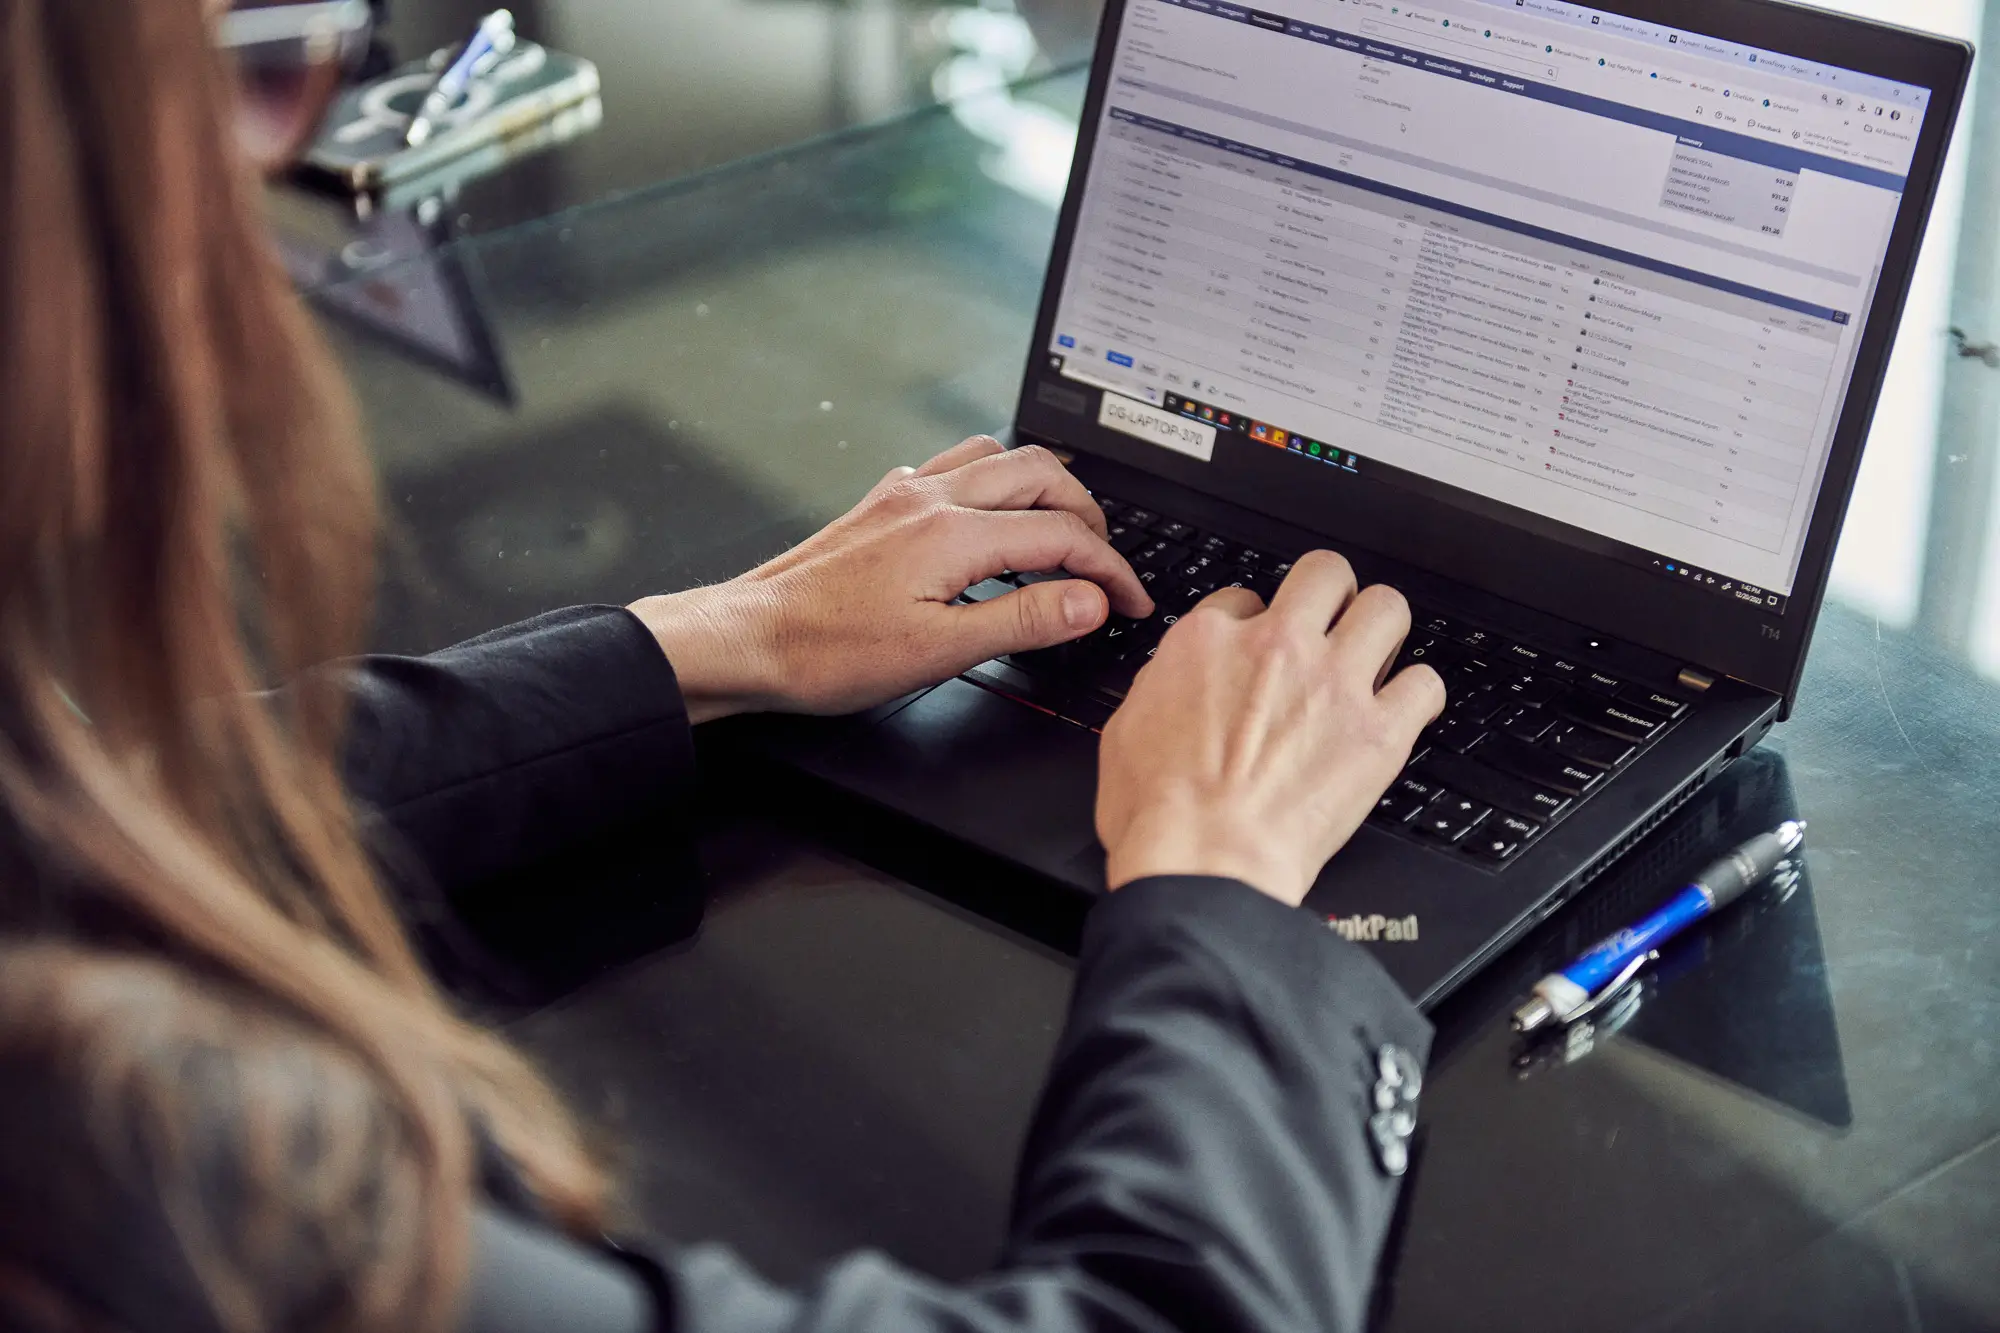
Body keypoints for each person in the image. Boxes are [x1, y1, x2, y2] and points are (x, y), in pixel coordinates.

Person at [0, 3, 1447, 1332]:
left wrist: (713, 643)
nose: (260, 191)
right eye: (244, 68)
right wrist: (1221, 878)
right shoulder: (125, 1164)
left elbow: (77, 817)